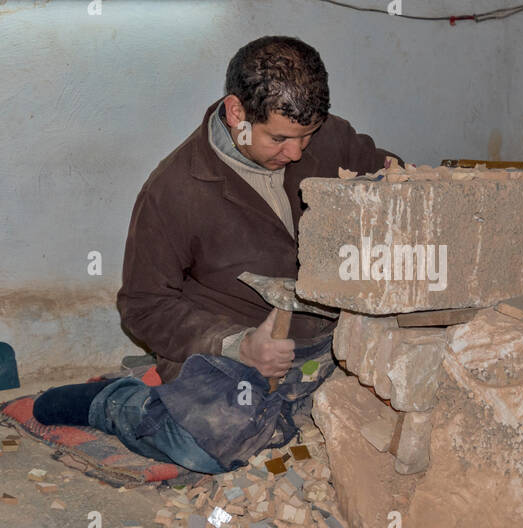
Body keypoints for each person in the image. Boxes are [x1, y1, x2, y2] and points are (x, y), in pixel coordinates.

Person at [34, 35, 398, 474]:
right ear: (236, 112)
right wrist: (240, 345)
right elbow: (144, 306)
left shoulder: (327, 136)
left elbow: (384, 169)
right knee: (209, 444)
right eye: (280, 139)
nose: (297, 152)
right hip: (233, 356)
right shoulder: (174, 189)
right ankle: (118, 402)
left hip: (326, 339)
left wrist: (400, 184)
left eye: (307, 136)